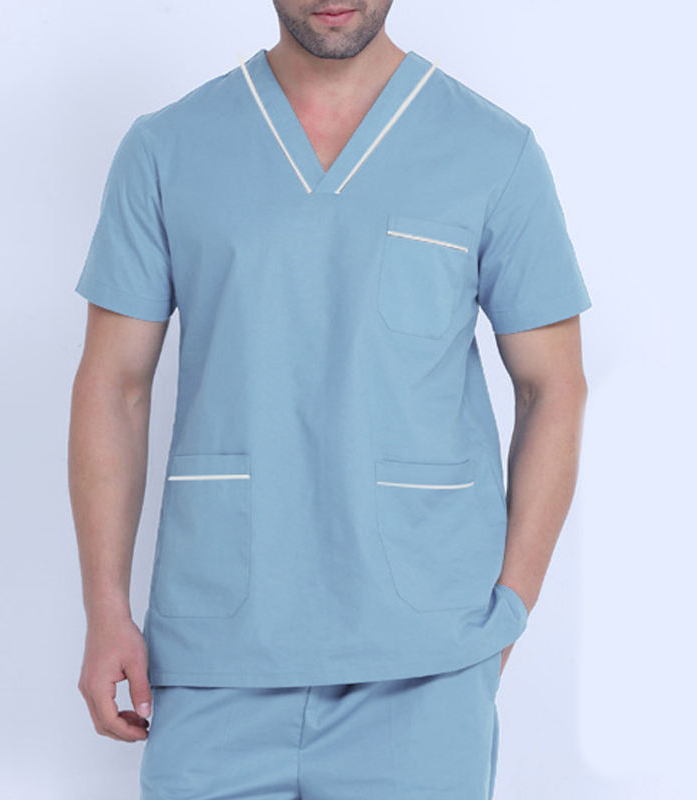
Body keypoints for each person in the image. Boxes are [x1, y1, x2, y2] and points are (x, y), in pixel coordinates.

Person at [68, 2, 591, 797]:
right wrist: (106, 608)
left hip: (426, 664)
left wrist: (509, 611)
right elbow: (115, 386)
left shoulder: (493, 153)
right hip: (217, 656)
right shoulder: (168, 150)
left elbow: (552, 386)